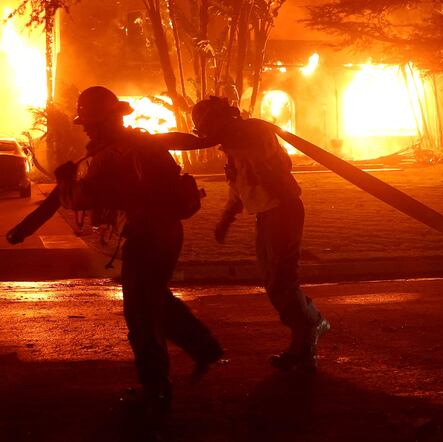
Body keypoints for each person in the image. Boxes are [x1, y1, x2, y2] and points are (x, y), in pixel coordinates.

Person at [18, 86, 223, 413]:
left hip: (148, 235)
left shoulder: (112, 154)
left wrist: (66, 181)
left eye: (88, 122)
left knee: (140, 313)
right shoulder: (139, 142)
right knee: (153, 298)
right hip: (167, 232)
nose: (84, 128)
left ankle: (156, 388)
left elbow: (80, 200)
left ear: (102, 121)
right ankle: (203, 348)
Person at [191, 96, 330, 373]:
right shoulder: (233, 148)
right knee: (274, 282)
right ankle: (310, 325)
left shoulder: (256, 134)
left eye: (211, 127)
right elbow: (239, 187)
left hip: (283, 210)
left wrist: (233, 144)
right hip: (267, 216)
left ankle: (306, 338)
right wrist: (225, 219)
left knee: (281, 282)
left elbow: (273, 165)